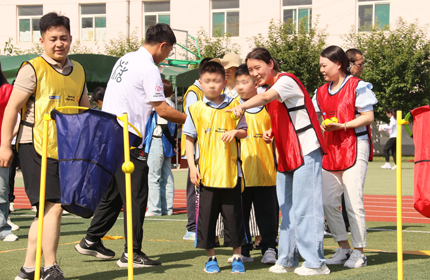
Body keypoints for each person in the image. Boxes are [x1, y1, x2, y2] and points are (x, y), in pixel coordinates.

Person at [74, 23, 186, 268]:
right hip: (128, 136)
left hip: (109, 132)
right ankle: (132, 253)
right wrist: (194, 120)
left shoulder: (125, 58)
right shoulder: (149, 68)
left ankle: (91, 240)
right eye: (169, 52)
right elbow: (163, 109)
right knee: (135, 196)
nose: (167, 57)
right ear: (163, 45)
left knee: (114, 194)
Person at [0, 12, 91, 279]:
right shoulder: (32, 68)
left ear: (71, 39)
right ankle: (50, 267)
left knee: (49, 210)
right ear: (42, 40)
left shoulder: (79, 70)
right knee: (52, 206)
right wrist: (5, 145)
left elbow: (84, 110)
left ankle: (29, 269)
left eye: (63, 38)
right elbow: (12, 110)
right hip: (34, 145)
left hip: (65, 149)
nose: (59, 43)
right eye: (53, 39)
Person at [228, 48, 329, 276]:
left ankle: (316, 262)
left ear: (271, 63)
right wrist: (272, 132)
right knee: (287, 208)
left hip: (306, 150)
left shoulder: (286, 81)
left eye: (257, 68)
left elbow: (264, 98)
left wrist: (241, 105)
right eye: (251, 69)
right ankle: (287, 258)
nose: (254, 73)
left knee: (306, 207)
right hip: (286, 153)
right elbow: (282, 116)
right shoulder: (269, 88)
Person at [313, 45, 378, 269]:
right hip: (331, 147)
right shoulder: (320, 91)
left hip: (355, 144)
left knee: (353, 201)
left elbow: (368, 116)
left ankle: (359, 252)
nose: (321, 69)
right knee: (328, 202)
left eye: (324, 65)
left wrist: (344, 125)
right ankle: (343, 248)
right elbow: (312, 116)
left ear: (338, 64)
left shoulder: (357, 86)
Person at [183, 61, 248, 274]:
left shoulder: (235, 106)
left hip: (231, 174)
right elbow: (189, 139)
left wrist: (236, 133)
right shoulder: (195, 109)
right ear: (200, 83)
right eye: (208, 81)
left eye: (217, 81)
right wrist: (192, 167)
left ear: (225, 82)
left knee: (233, 217)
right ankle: (211, 258)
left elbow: (245, 131)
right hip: (206, 174)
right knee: (207, 218)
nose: (212, 85)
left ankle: (237, 256)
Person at [229, 64, 279, 264]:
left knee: (267, 212)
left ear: (256, 82)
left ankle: (269, 248)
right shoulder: (231, 106)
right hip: (241, 172)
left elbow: (278, 133)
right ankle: (245, 249)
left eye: (245, 81)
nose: (241, 86)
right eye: (237, 82)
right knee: (240, 213)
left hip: (266, 170)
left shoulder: (269, 104)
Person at [145, 79, 177, 216]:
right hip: (167, 143)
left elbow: (162, 125)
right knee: (167, 176)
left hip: (159, 141)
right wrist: (173, 142)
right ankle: (167, 208)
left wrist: (171, 141)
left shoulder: (162, 105)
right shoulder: (173, 104)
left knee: (153, 176)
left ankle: (154, 208)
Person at [0, 61, 18, 242]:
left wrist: (6, 143)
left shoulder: (6, 90)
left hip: (1, 148)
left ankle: (3, 227)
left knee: (2, 190)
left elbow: (18, 118)